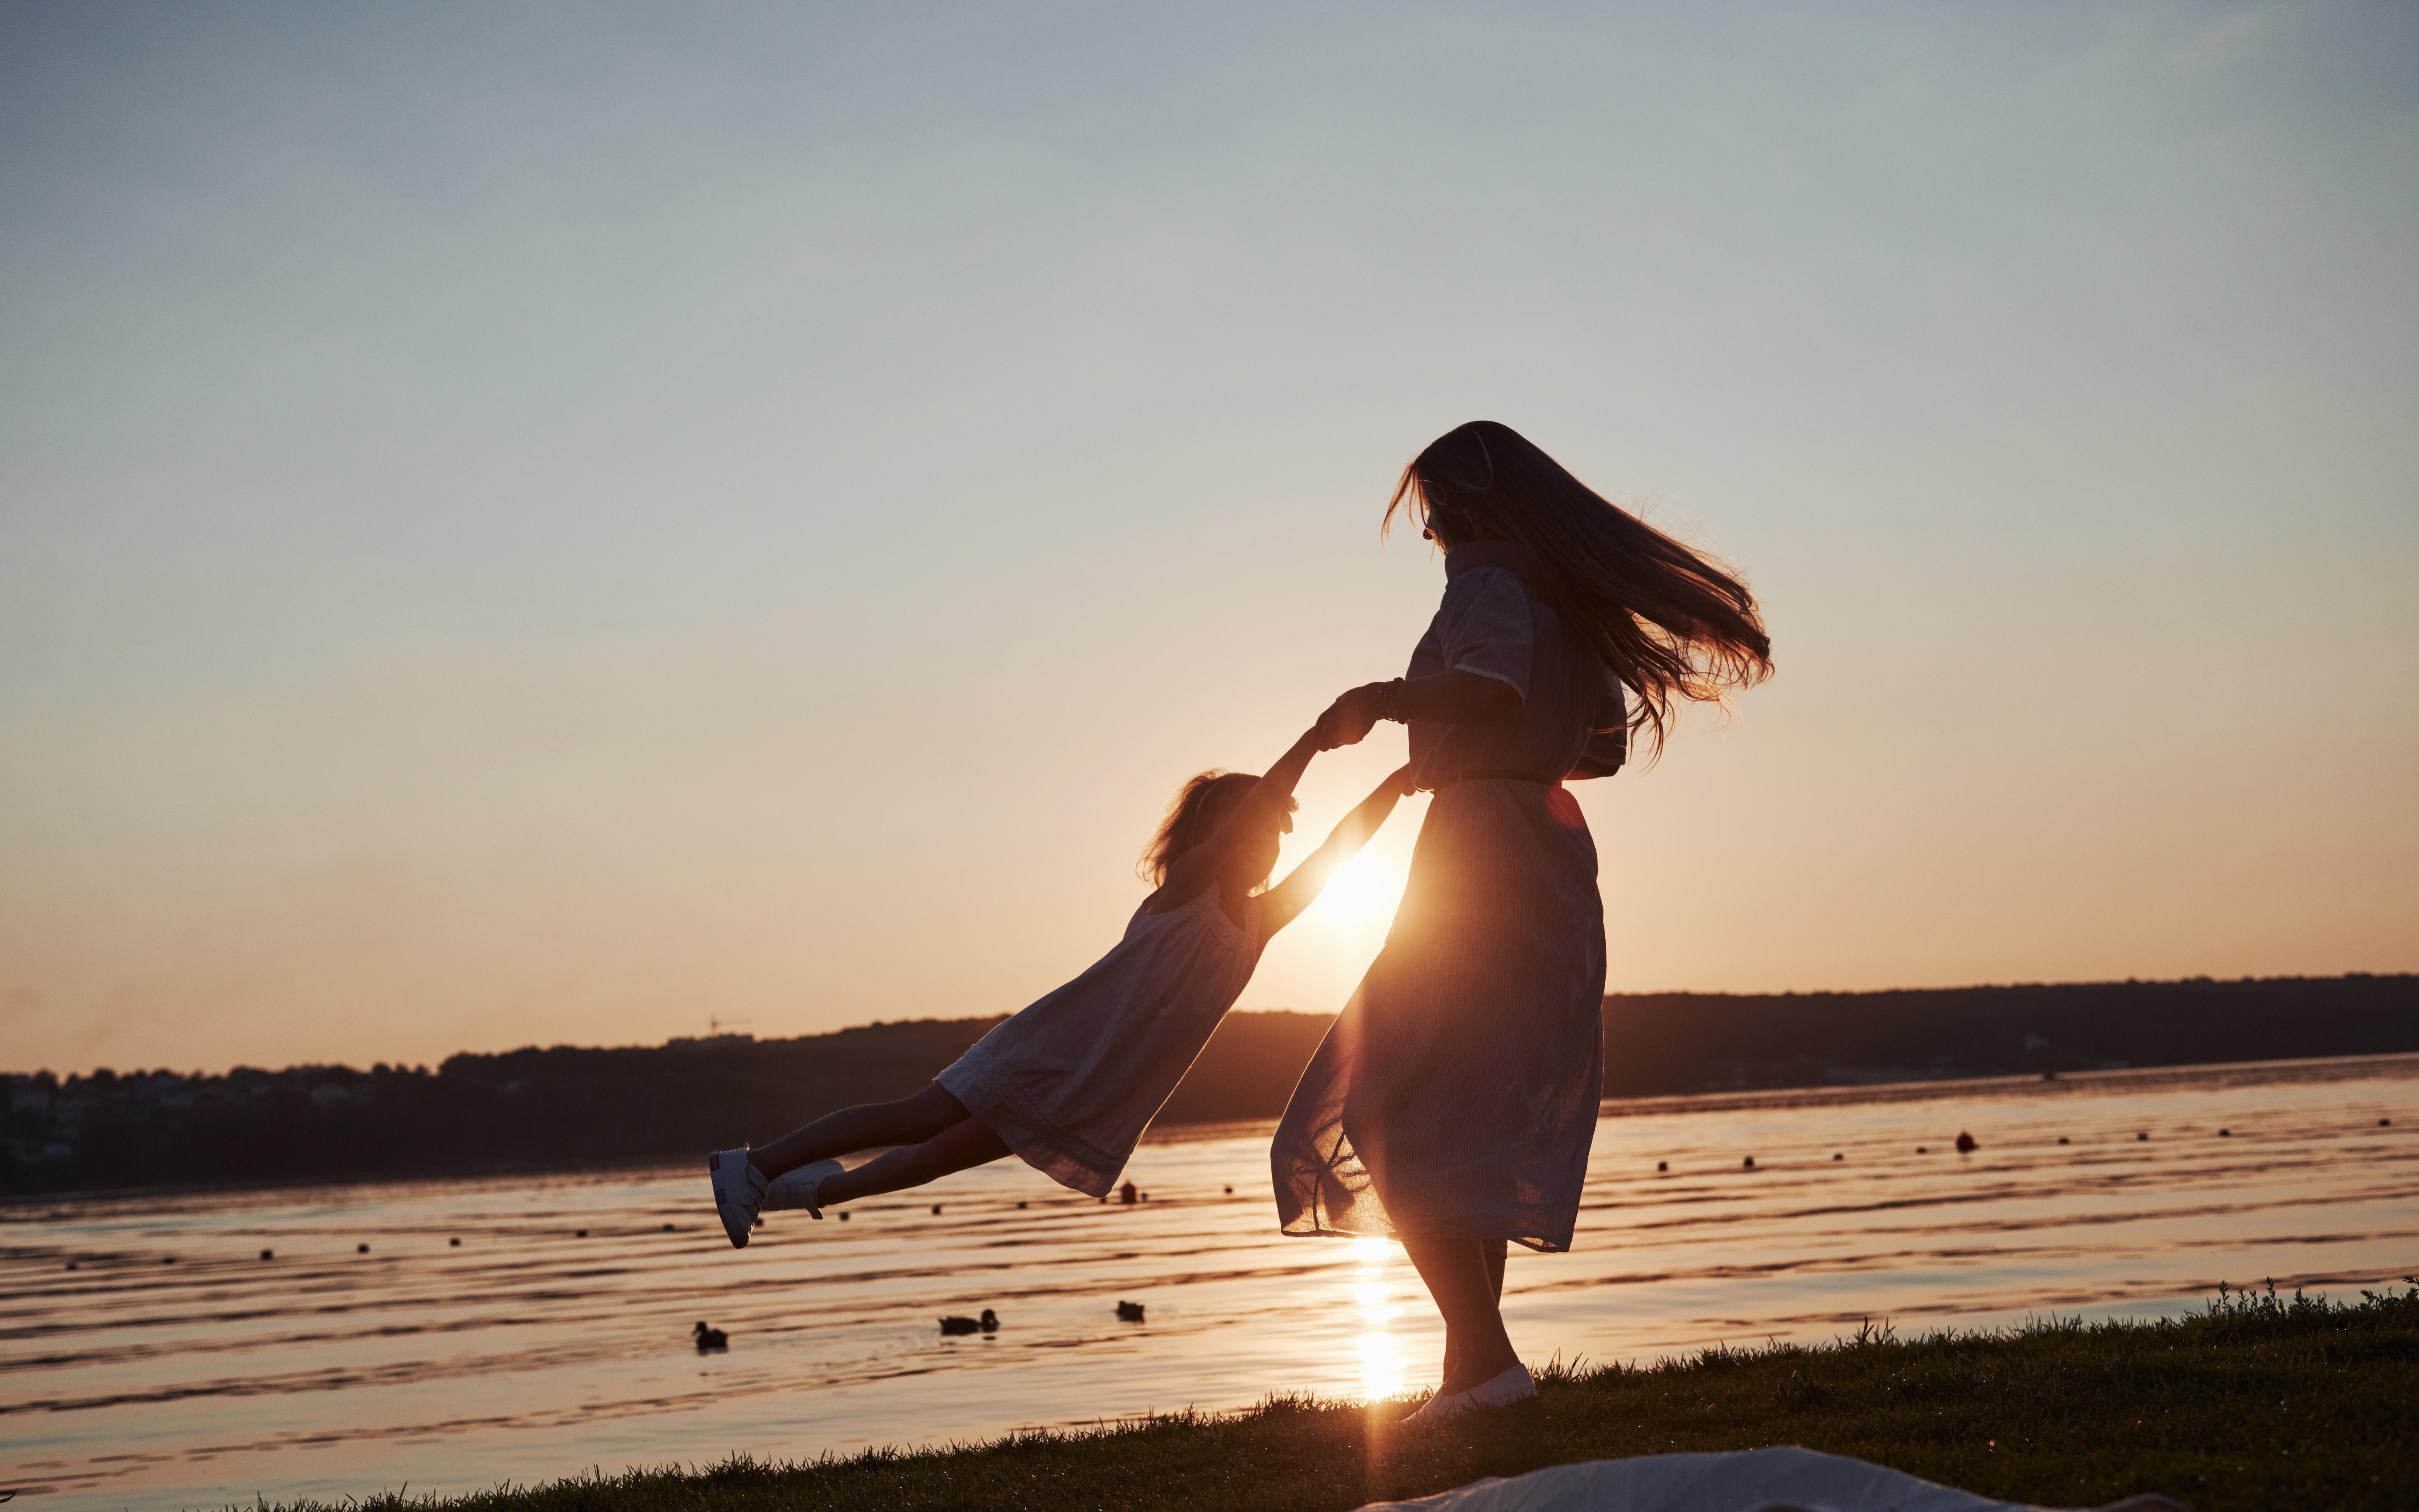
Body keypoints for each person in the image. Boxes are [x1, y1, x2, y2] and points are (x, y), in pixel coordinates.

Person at [1277, 420, 1772, 1424]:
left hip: (1482, 858)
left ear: (1463, 503)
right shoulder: (1545, 594)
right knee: (1460, 1118)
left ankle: (1487, 1364)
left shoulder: (1490, 583)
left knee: (1368, 1106)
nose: (1425, 535)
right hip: (1531, 845)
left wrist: (1383, 701)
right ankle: (1475, 1374)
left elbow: (1492, 687)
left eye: (1429, 512)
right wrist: (1466, 757)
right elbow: (1598, 747)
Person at [707, 730, 1414, 1247]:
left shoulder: (1257, 925)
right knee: (917, 1118)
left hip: (1099, 1079)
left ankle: (803, 1186)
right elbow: (1246, 822)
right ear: (1221, 829)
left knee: (934, 1158)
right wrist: (1318, 740)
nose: (1271, 839)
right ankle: (754, 1163)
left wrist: (1405, 779)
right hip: (1058, 1044)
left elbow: (1336, 851)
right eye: (1257, 824)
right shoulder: (1189, 887)